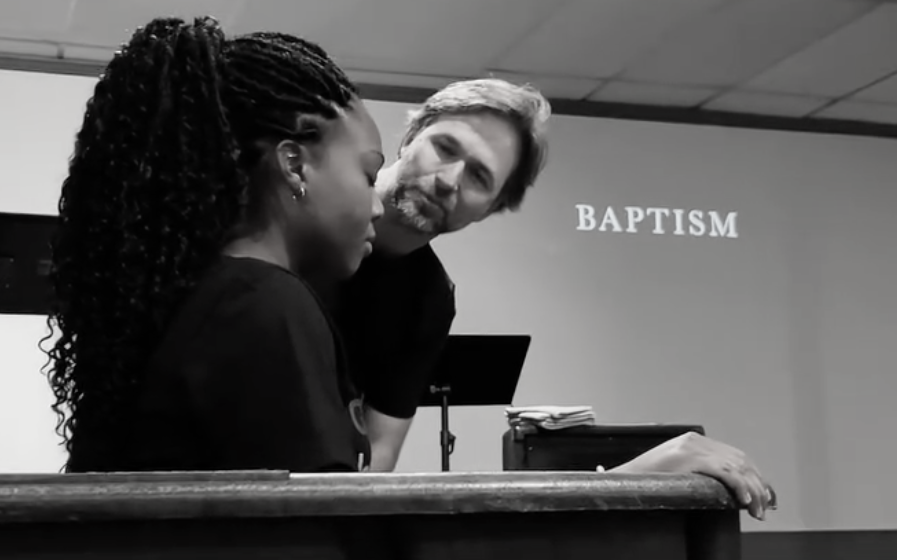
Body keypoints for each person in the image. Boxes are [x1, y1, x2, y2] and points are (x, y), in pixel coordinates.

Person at [330, 78, 777, 520]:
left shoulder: (428, 300)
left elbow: (377, 457)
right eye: (445, 148)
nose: (448, 180)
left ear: (490, 208)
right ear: (410, 137)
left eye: (480, 176)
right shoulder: (305, 204)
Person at [43, 16, 385, 474]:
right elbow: (310, 536)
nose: (377, 206)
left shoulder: (209, 298)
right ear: (295, 166)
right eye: (369, 174)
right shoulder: (266, 305)